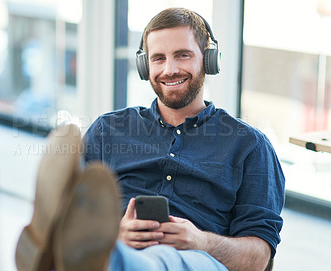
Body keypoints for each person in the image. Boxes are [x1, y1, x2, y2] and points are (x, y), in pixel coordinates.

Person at [15, 7, 285, 271]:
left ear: (208, 59)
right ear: (145, 66)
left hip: (198, 259)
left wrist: (201, 241)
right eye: (158, 58)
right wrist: (116, 233)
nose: (170, 69)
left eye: (182, 55)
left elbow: (258, 259)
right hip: (117, 246)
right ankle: (95, 248)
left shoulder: (249, 145)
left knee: (163, 260)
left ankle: (95, 256)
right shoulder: (109, 129)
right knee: (91, 230)